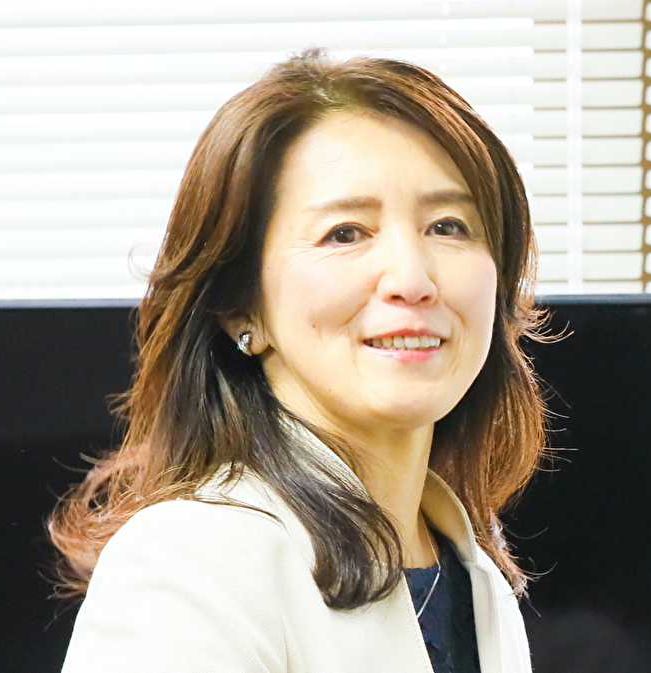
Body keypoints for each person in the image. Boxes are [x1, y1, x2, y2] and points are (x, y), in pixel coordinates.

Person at [50, 49, 544, 673]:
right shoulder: (189, 565)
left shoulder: (473, 575)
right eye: (345, 233)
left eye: (448, 227)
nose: (413, 280)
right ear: (242, 309)